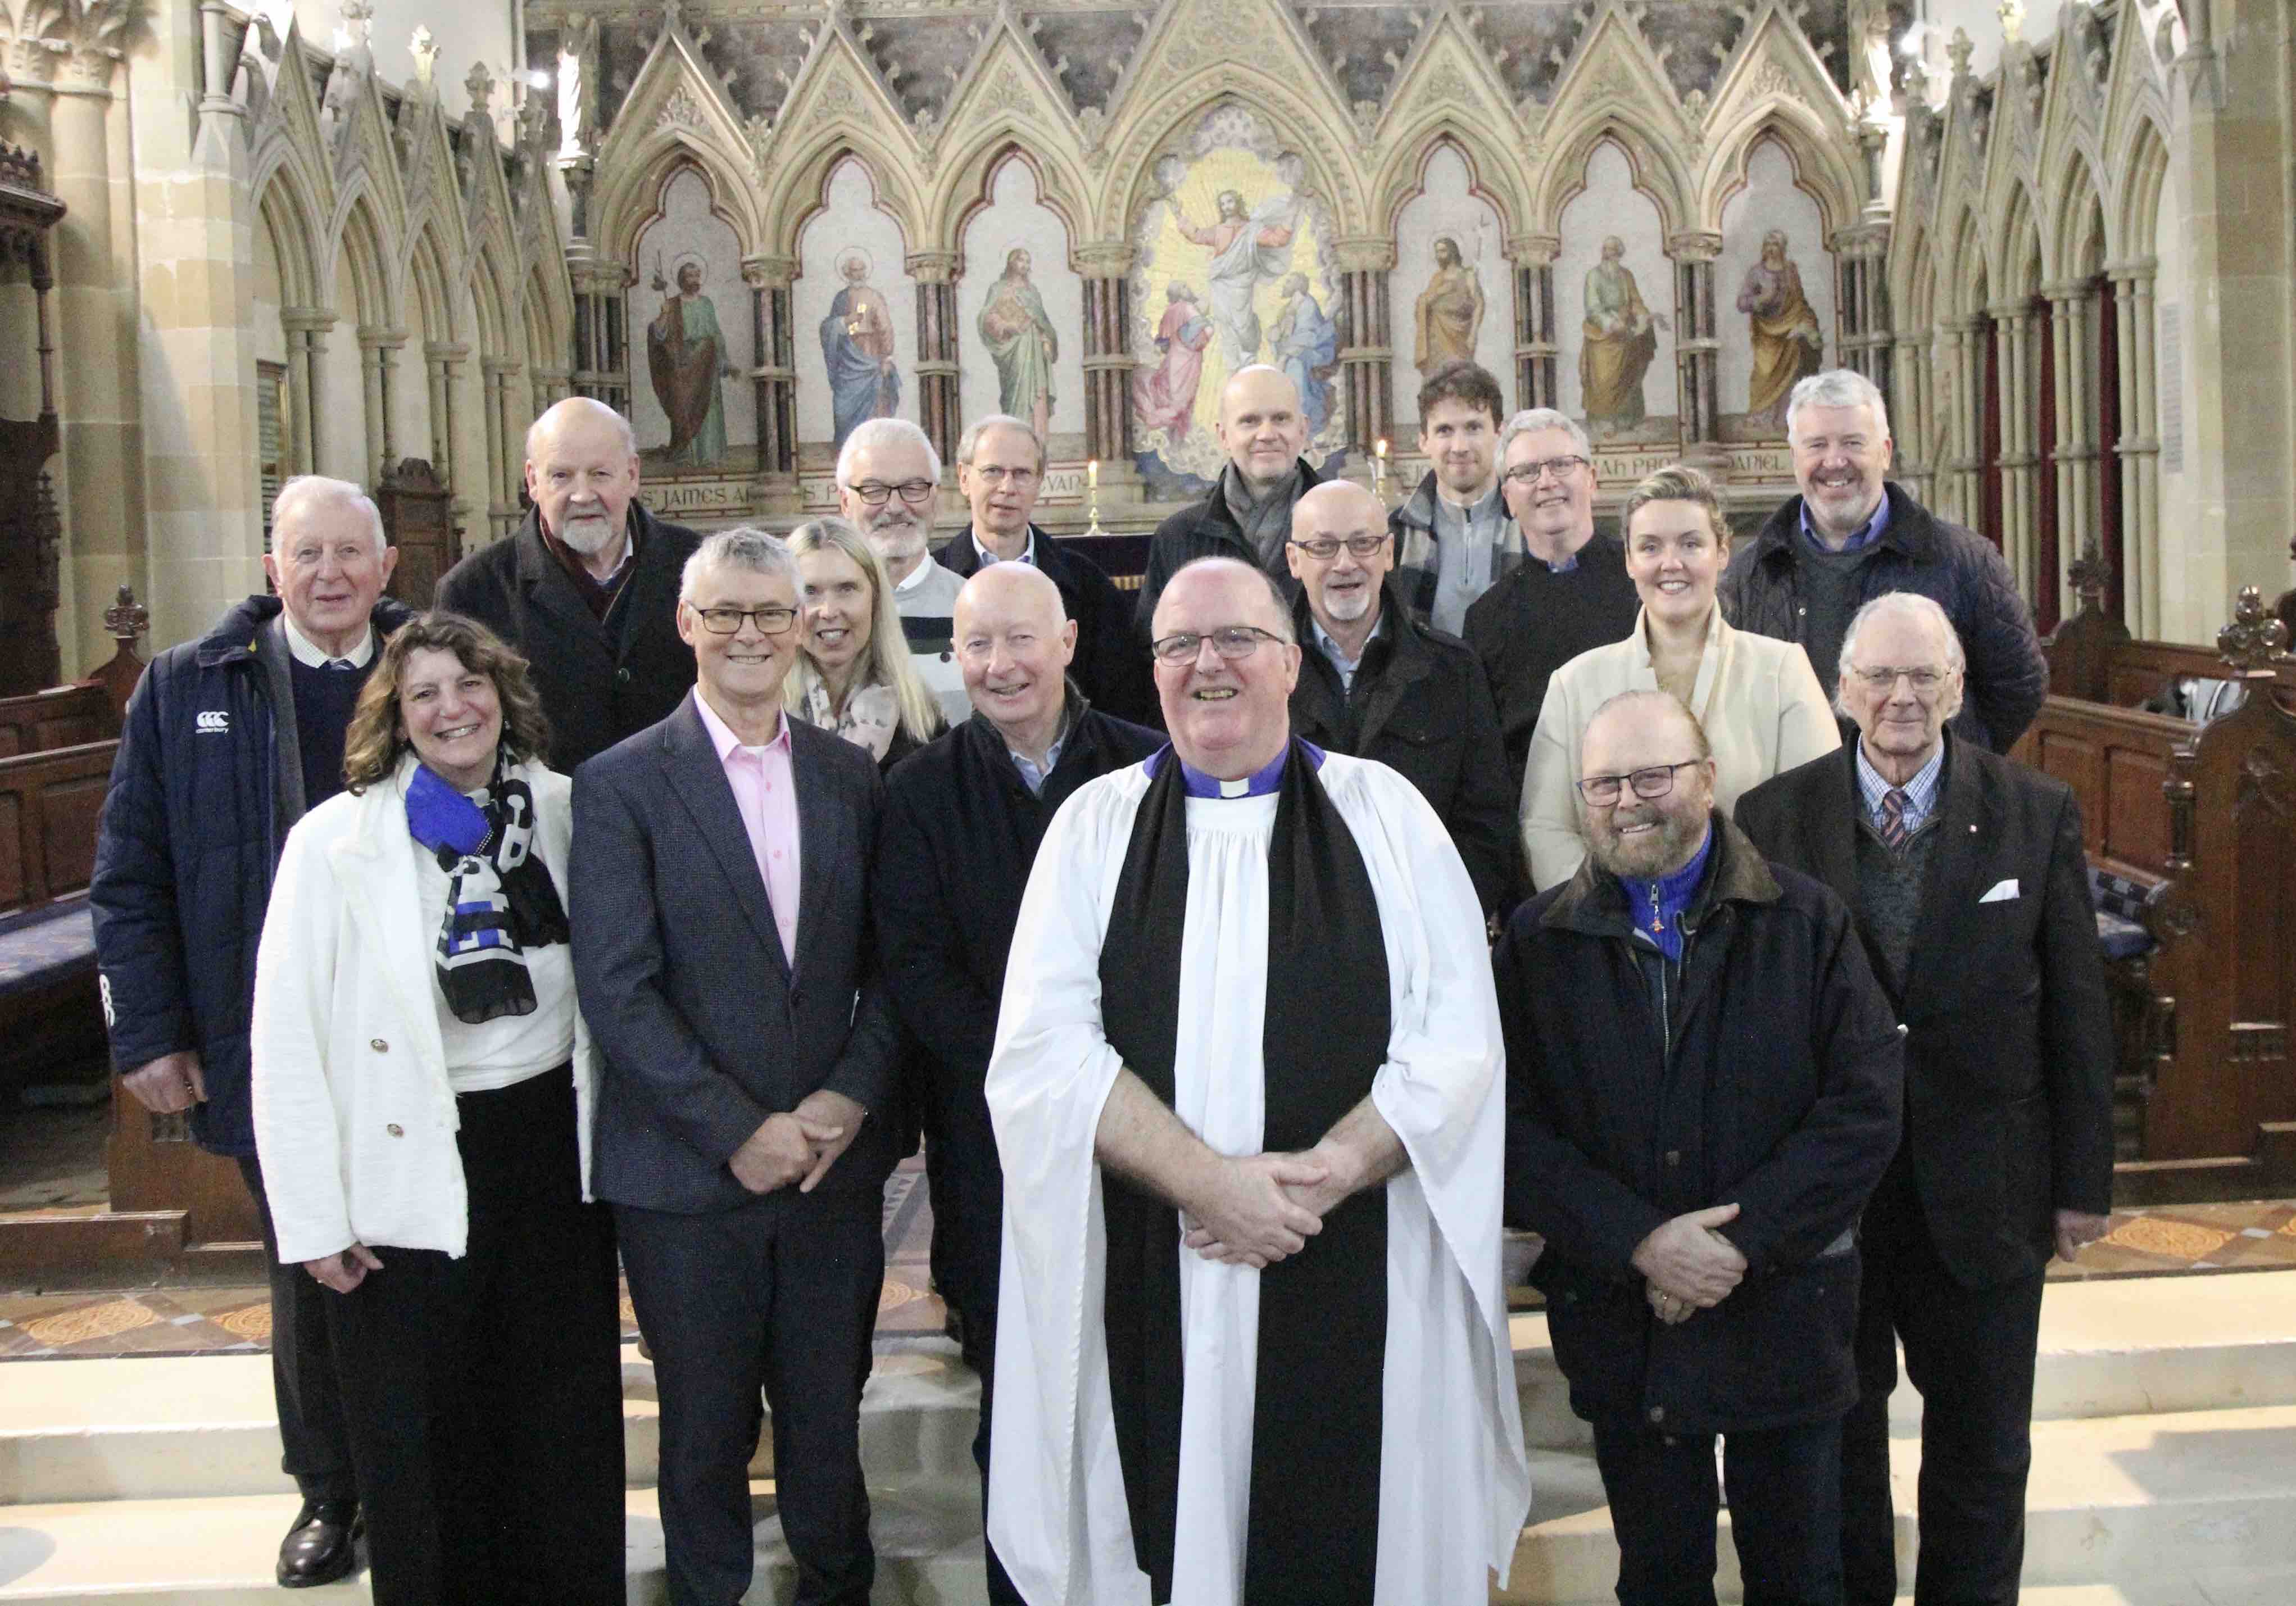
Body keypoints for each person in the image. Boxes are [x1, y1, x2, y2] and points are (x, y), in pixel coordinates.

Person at [987, 556, 1532, 1605]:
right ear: (1150, 672)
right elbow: (1043, 1049)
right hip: (1156, 1261)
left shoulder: (1389, 815)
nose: (1207, 665)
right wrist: (1210, 1183)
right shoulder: (1092, 828)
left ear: (1291, 661)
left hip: (1355, 1252)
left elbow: (1457, 1040)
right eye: (1179, 645)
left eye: (1235, 638)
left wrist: (1323, 1176)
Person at [1734, 592, 2115, 1606]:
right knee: (1840, 1449)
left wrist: (2083, 1181)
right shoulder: (1772, 816)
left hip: (1986, 1190)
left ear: (1957, 688)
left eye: (1925, 677)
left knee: (1985, 1450)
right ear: (1841, 688)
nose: (1902, 696)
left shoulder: (2035, 811)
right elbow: (1758, 1022)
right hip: (1832, 1201)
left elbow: (2077, 1007)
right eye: (1880, 677)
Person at [1498, 689, 1904, 1606]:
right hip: (1623, 1314)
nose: (1627, 800)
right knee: (1659, 1576)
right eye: (1602, 782)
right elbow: (1514, 1129)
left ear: (1709, 778)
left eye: (1653, 774)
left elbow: (1865, 1104)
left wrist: (1733, 1241)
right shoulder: (1538, 942)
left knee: (1800, 1574)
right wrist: (1641, 1240)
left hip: (1784, 1305)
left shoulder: (1807, 918)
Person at [249, 614, 624, 1606]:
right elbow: (284, 1042)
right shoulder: (334, 842)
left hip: (549, 1155)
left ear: (504, 696)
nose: (453, 707)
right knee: (424, 1441)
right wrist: (313, 1221)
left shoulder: (569, 810)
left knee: (559, 1426)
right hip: (405, 1168)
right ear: (396, 715)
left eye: (470, 685)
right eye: (425, 694)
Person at [90, 474, 410, 1589]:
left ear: (386, 568)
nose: (329, 574)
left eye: (349, 554)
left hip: (421, 1039)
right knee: (312, 1262)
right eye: (306, 553)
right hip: (269, 1034)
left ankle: (418, 1477)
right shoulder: (188, 687)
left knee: (419, 1260)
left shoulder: (441, 672)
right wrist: (149, 1034)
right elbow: (130, 879)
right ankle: (330, 1492)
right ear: (273, 568)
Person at [572, 527, 902, 1606]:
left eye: (772, 612)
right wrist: (736, 1127)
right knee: (705, 1425)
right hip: (684, 1177)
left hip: (824, 1170)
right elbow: (618, 988)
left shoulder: (851, 776)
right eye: (726, 613)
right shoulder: (620, 784)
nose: (751, 634)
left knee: (826, 1414)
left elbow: (890, 965)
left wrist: (847, 1096)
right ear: (687, 624)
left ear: (803, 626)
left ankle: (836, 1585)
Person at [875, 562, 1162, 1606]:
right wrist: (1047, 1074)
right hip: (994, 1145)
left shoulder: (1147, 767)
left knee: (1145, 1390)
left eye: (1020, 639)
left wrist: (1114, 1085)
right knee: (1022, 1398)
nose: (1000, 665)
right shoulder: (918, 791)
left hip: (1142, 1140)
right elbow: (915, 968)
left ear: (1071, 642)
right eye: (978, 645)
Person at [1521, 464, 1839, 890]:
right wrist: (1614, 917)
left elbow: (1819, 819)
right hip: (1611, 937)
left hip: (1754, 929)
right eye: (1650, 547)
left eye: (1691, 544)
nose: (1671, 564)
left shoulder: (1782, 672)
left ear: (1723, 552)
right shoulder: (1573, 685)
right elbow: (1544, 828)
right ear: (1630, 561)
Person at [1721, 368, 2049, 753]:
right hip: (1798, 804)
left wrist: (1955, 762)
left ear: (1885, 452)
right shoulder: (1748, 574)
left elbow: (2019, 686)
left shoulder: (1965, 560)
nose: (1834, 461)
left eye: (1853, 443)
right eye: (1817, 445)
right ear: (1795, 457)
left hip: (1931, 805)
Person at [1285, 479, 1517, 917]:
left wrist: (1440, 924)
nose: (1345, 563)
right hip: (1300, 935)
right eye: (1323, 547)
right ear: (1294, 559)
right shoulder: (1264, 675)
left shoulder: (1454, 670)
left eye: (1363, 543)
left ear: (1389, 554)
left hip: (1427, 932)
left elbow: (1488, 824)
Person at [435, 395, 702, 772]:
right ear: (533, 481)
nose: (582, 495)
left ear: (632, 476)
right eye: (561, 476)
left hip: (678, 813)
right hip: (548, 821)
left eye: (599, 474)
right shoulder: (472, 591)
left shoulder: (700, 567)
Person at [1463, 409, 1641, 790]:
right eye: (1526, 472)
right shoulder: (1486, 618)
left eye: (1562, 464)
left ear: (1592, 479)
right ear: (1508, 498)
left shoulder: (1642, 583)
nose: (1546, 482)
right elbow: (1487, 755)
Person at [937, 412, 1152, 723]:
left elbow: (1123, 697)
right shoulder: (935, 577)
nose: (1007, 487)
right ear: (964, 478)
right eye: (993, 472)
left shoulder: (1086, 583)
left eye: (1022, 473)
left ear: (1040, 482)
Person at [1135, 365, 1326, 634]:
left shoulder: (1343, 525)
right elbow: (1155, 645)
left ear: (1303, 430)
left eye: (1281, 419)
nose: (1267, 434)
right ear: (1223, 435)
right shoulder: (1178, 537)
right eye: (1249, 421)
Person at [834, 416, 969, 725]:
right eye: (874, 489)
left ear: (934, 498)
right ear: (844, 502)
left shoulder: (972, 608)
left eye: (913, 487)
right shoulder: (810, 612)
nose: (895, 507)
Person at [786, 516, 945, 771]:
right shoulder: (762, 720)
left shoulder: (921, 720)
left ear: (875, 599)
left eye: (846, 589)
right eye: (810, 592)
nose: (828, 611)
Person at [1387, 359, 1526, 634]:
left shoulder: (1531, 525)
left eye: (1473, 428)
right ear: (1423, 440)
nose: (1459, 447)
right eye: (1444, 431)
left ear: (1499, 433)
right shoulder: (1396, 533)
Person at [1736, 230, 1825, 434]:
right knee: (1764, 373)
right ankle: (1760, 417)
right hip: (1766, 332)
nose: (1771, 248)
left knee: (1792, 373)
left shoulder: (1790, 271)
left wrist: (1806, 324)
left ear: (1782, 248)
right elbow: (1742, 303)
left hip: (1790, 329)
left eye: (1775, 245)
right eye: (1768, 244)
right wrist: (1760, 300)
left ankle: (1784, 419)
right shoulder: (1756, 273)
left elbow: (1799, 302)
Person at [648, 255, 733, 466]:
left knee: (709, 407)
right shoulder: (672, 304)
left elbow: (715, 333)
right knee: (683, 406)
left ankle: (709, 454)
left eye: (697, 275)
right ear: (681, 280)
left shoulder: (706, 303)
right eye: (690, 276)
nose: (695, 280)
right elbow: (658, 334)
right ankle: (685, 453)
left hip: (707, 364)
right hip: (684, 364)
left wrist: (724, 359)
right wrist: (663, 318)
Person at [977, 247, 1058, 442]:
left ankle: (1037, 440)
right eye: (1021, 260)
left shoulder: (1033, 291)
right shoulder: (998, 288)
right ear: (1011, 262)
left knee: (1038, 391)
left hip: (1035, 348)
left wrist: (1047, 340)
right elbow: (986, 317)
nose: (1025, 265)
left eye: (1028, 262)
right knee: (1015, 392)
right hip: (1014, 348)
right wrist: (1006, 326)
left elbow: (1043, 322)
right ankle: (1015, 437)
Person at [822, 248, 900, 449]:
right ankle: (847, 448)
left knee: (875, 403)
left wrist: (886, 357)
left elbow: (886, 328)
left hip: (870, 354)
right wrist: (844, 321)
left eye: (862, 269)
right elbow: (828, 327)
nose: (860, 273)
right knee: (842, 408)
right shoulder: (841, 298)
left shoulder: (874, 297)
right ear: (847, 273)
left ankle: (874, 448)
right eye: (855, 270)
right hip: (847, 360)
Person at [1580, 236, 1659, 434]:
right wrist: (1611, 323)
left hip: (1625, 333)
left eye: (1614, 251)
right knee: (1604, 380)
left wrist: (1642, 316)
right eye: (1606, 250)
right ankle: (1602, 420)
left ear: (1619, 254)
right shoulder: (1594, 276)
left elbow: (1635, 301)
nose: (1609, 255)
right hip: (1602, 334)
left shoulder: (1626, 275)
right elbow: (1593, 307)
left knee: (1628, 375)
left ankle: (1626, 418)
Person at [1133, 282, 1214, 449]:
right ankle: (1176, 442)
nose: (1188, 288)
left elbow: (1162, 342)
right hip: (1188, 360)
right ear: (1179, 293)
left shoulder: (1170, 311)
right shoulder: (1187, 307)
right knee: (1182, 402)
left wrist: (1175, 341)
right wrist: (1204, 319)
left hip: (1173, 358)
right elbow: (1205, 334)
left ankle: (1174, 443)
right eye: (1184, 287)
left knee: (1171, 395)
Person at [1268, 271, 1338, 437]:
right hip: (1296, 352)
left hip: (1314, 351)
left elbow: (1307, 338)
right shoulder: (1289, 308)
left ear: (1297, 285)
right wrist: (1275, 336)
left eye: (1288, 282)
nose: (1285, 286)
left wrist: (1285, 355)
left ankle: (1304, 417)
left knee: (1295, 368)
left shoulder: (1307, 305)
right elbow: (1284, 336)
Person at [1413, 234, 1484, 376]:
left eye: (1443, 251)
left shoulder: (1467, 275)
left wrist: (1473, 334)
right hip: (1437, 335)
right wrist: (1440, 292)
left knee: (1460, 373)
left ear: (1453, 251)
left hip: (1459, 333)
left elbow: (1479, 304)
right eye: (1437, 252)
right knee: (1439, 376)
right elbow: (1423, 303)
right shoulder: (1437, 278)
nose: (1439, 256)